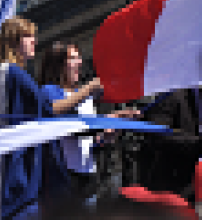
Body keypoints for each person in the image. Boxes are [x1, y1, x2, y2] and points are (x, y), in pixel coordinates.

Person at [0, 17, 72, 220]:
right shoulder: (15, 74)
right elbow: (50, 109)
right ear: (13, 41)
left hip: (8, 163)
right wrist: (89, 89)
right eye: (28, 36)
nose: (34, 42)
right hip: (18, 168)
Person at [39, 42, 135, 205]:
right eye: (72, 58)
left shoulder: (85, 97)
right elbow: (73, 127)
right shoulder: (49, 91)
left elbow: (91, 139)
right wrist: (108, 118)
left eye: (79, 58)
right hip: (64, 178)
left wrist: (109, 133)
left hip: (89, 177)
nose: (79, 62)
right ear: (58, 64)